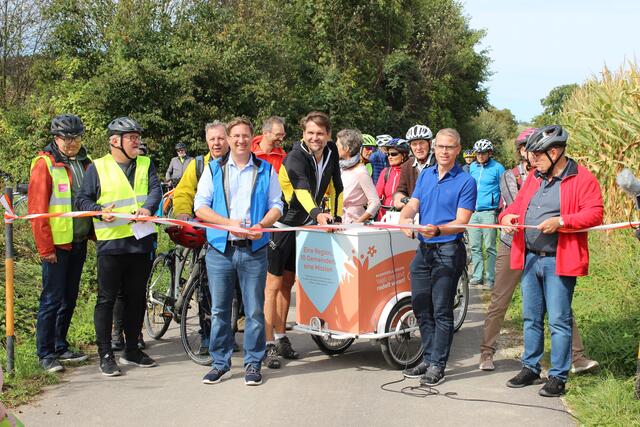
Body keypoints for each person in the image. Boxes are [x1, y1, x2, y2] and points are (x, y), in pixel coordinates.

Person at [479, 128, 599, 374]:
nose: (532, 160)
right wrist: (506, 216)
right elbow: (517, 205)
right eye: (530, 154)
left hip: (558, 260)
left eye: (537, 155)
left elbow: (595, 213)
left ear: (554, 152)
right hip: (528, 255)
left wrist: (562, 222)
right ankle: (528, 367)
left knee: (559, 319)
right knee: (529, 317)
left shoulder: (582, 178)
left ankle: (559, 374)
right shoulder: (534, 177)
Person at [194, 117, 283, 386]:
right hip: (220, 249)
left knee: (255, 311)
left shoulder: (266, 169)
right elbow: (201, 207)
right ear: (229, 139)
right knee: (220, 310)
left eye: (246, 135)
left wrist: (262, 224)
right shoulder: (213, 169)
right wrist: (228, 223)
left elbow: (277, 205)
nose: (241, 140)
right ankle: (220, 363)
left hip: (254, 250)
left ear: (252, 138)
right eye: (236, 136)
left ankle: (253, 363)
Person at [76, 116, 162, 377]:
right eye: (132, 137)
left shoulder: (146, 164)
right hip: (112, 243)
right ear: (115, 141)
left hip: (140, 241)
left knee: (137, 298)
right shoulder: (98, 167)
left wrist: (148, 207)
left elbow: (156, 191)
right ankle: (105, 354)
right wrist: (99, 211)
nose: (137, 142)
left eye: (138, 137)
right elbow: (82, 200)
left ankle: (132, 349)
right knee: (107, 299)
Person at [264, 111, 343, 369]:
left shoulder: (331, 152)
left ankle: (281, 336)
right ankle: (267, 345)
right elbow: (301, 190)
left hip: (304, 227)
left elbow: (337, 187)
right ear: (303, 133)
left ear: (328, 135)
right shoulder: (296, 156)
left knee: (288, 283)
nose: (315, 138)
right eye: (310, 133)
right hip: (283, 225)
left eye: (320, 133)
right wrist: (318, 213)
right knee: (273, 286)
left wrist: (338, 215)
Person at [399, 128, 476, 386]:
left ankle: (438, 365)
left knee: (442, 309)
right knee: (421, 305)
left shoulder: (466, 181)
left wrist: (439, 229)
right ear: (434, 147)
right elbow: (414, 203)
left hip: (449, 249)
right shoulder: (426, 175)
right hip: (424, 248)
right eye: (440, 146)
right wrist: (405, 217)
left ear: (457, 150)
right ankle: (428, 356)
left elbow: (462, 222)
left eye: (449, 147)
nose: (444, 151)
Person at [28, 114, 92, 373]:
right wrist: (45, 248)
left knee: (70, 297)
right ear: (56, 138)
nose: (72, 143)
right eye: (67, 139)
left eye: (76, 138)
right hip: (57, 245)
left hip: (79, 240)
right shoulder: (45, 164)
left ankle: (60, 345)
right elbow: (37, 210)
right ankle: (45, 354)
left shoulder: (85, 163)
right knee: (51, 299)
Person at [174, 121, 230, 221]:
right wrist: (183, 213)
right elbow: (184, 192)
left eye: (221, 138)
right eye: (212, 139)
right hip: (204, 224)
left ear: (229, 139)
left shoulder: (240, 163)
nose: (216, 143)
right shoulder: (197, 165)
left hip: (233, 224)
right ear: (207, 142)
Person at [468, 139, 505, 288]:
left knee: (490, 247)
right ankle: (477, 276)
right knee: (475, 247)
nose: (480, 156)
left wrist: (502, 210)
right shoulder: (472, 167)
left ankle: (490, 278)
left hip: (489, 212)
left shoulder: (498, 168)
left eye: (483, 153)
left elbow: (505, 189)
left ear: (489, 153)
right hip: (472, 212)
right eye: (478, 153)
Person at [336, 128, 380, 223]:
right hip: (339, 220)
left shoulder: (361, 171)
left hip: (353, 223)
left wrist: (358, 222)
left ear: (346, 148)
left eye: (337, 145)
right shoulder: (341, 167)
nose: (335, 147)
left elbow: (375, 202)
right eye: (368, 148)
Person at [393, 124, 435, 210]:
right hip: (413, 215)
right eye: (414, 144)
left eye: (421, 143)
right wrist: (398, 198)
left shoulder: (439, 164)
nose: (418, 148)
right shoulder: (406, 165)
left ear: (430, 143)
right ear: (410, 146)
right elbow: (401, 189)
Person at [376, 138, 410, 218]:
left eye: (393, 154)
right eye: (388, 154)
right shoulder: (385, 172)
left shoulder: (411, 172)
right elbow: (377, 195)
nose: (389, 157)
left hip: (403, 216)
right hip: (384, 216)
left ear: (404, 155)